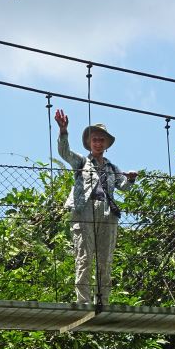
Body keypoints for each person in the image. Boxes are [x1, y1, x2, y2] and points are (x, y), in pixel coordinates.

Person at [54, 109, 137, 305]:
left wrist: (131, 179)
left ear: (106, 145)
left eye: (101, 140)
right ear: (90, 143)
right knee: (84, 257)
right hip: (84, 210)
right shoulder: (82, 162)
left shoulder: (112, 168)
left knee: (105, 260)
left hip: (107, 214)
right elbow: (64, 153)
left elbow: (124, 187)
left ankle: (103, 301)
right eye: (95, 140)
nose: (98, 143)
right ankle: (83, 301)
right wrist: (63, 131)